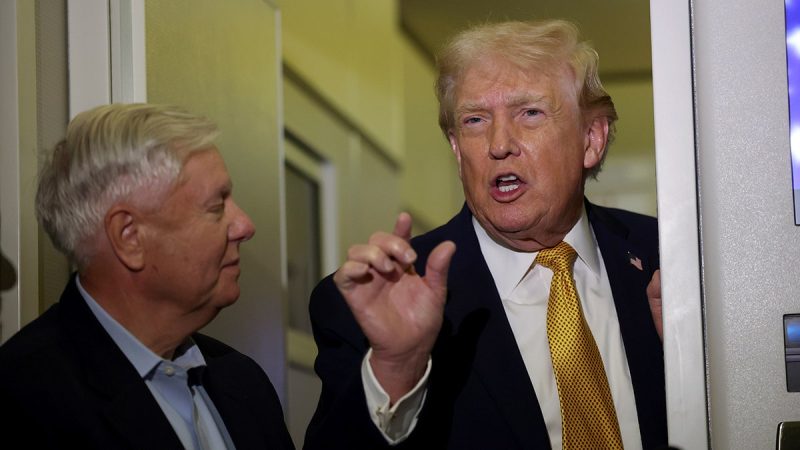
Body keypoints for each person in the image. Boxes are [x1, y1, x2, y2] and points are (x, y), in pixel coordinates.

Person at [305, 19, 667, 450]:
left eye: (530, 113)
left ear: (591, 139)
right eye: (475, 120)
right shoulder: (381, 300)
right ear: (457, 150)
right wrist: (396, 368)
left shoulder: (668, 258)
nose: (499, 144)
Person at [0, 103, 294, 449]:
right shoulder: (24, 399)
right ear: (130, 237)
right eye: (217, 207)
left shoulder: (243, 382)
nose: (245, 226)